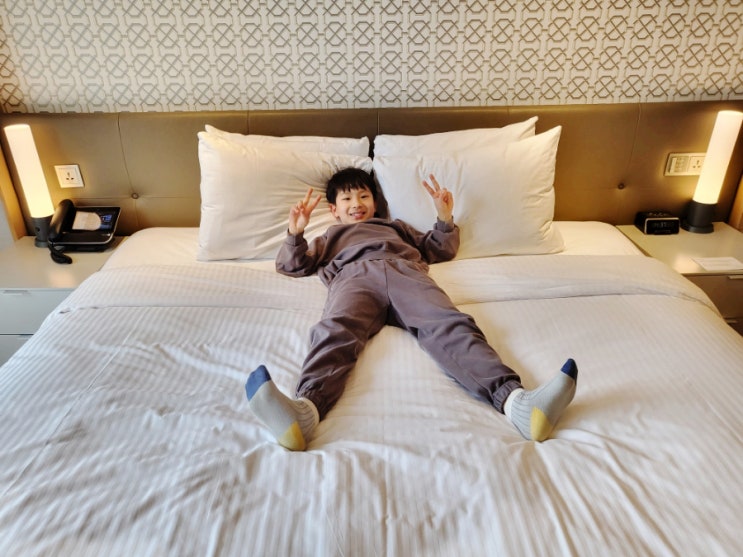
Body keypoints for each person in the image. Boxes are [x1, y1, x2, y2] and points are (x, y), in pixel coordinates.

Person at [245, 167, 577, 450]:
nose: (356, 204)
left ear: (375, 202)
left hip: (405, 273)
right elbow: (291, 265)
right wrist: (296, 232)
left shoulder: (396, 227)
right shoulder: (332, 236)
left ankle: (517, 404)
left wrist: (444, 217)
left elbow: (439, 249)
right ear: (334, 209)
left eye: (363, 196)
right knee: (336, 330)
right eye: (347, 199)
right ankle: (306, 411)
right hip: (354, 277)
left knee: (449, 324)